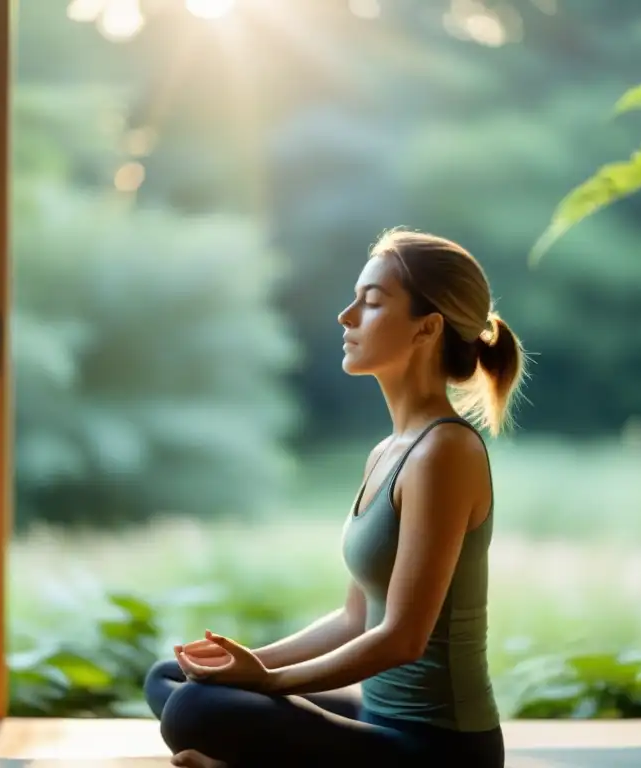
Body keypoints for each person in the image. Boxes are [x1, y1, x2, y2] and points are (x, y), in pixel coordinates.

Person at [144, 228, 525, 768]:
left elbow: (401, 639)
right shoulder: (389, 452)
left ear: (427, 327)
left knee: (192, 712)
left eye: (371, 302)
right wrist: (250, 664)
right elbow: (354, 619)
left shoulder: (446, 453)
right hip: (376, 721)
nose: (346, 317)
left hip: (436, 750)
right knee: (173, 679)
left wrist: (268, 681)